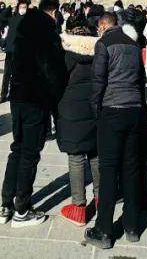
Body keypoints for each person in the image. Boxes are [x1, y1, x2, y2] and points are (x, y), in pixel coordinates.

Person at [0, 0, 67, 228]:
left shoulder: (23, 30)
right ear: (54, 12)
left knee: (16, 148)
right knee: (30, 152)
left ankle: (5, 204)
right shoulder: (46, 33)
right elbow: (51, 69)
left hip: (17, 98)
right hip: (36, 99)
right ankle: (22, 209)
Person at [82, 11, 147, 249]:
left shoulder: (104, 44)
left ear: (102, 26)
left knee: (108, 169)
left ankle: (104, 230)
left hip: (112, 110)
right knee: (130, 168)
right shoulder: (132, 43)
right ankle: (132, 227)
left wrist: (95, 109)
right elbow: (141, 78)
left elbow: (98, 80)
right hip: (134, 109)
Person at [57, 16, 99, 227]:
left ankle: (79, 206)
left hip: (70, 108)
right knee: (95, 153)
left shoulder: (65, 53)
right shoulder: (99, 50)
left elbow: (57, 80)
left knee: (75, 156)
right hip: (94, 107)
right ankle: (101, 199)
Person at [0, 0, 28, 102]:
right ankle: (3, 94)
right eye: (21, 7)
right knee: (7, 74)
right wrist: (9, 7)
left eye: (24, 7)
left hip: (22, 51)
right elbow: (2, 17)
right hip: (11, 50)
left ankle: (15, 94)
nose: (22, 9)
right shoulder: (13, 18)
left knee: (18, 74)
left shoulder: (28, 20)